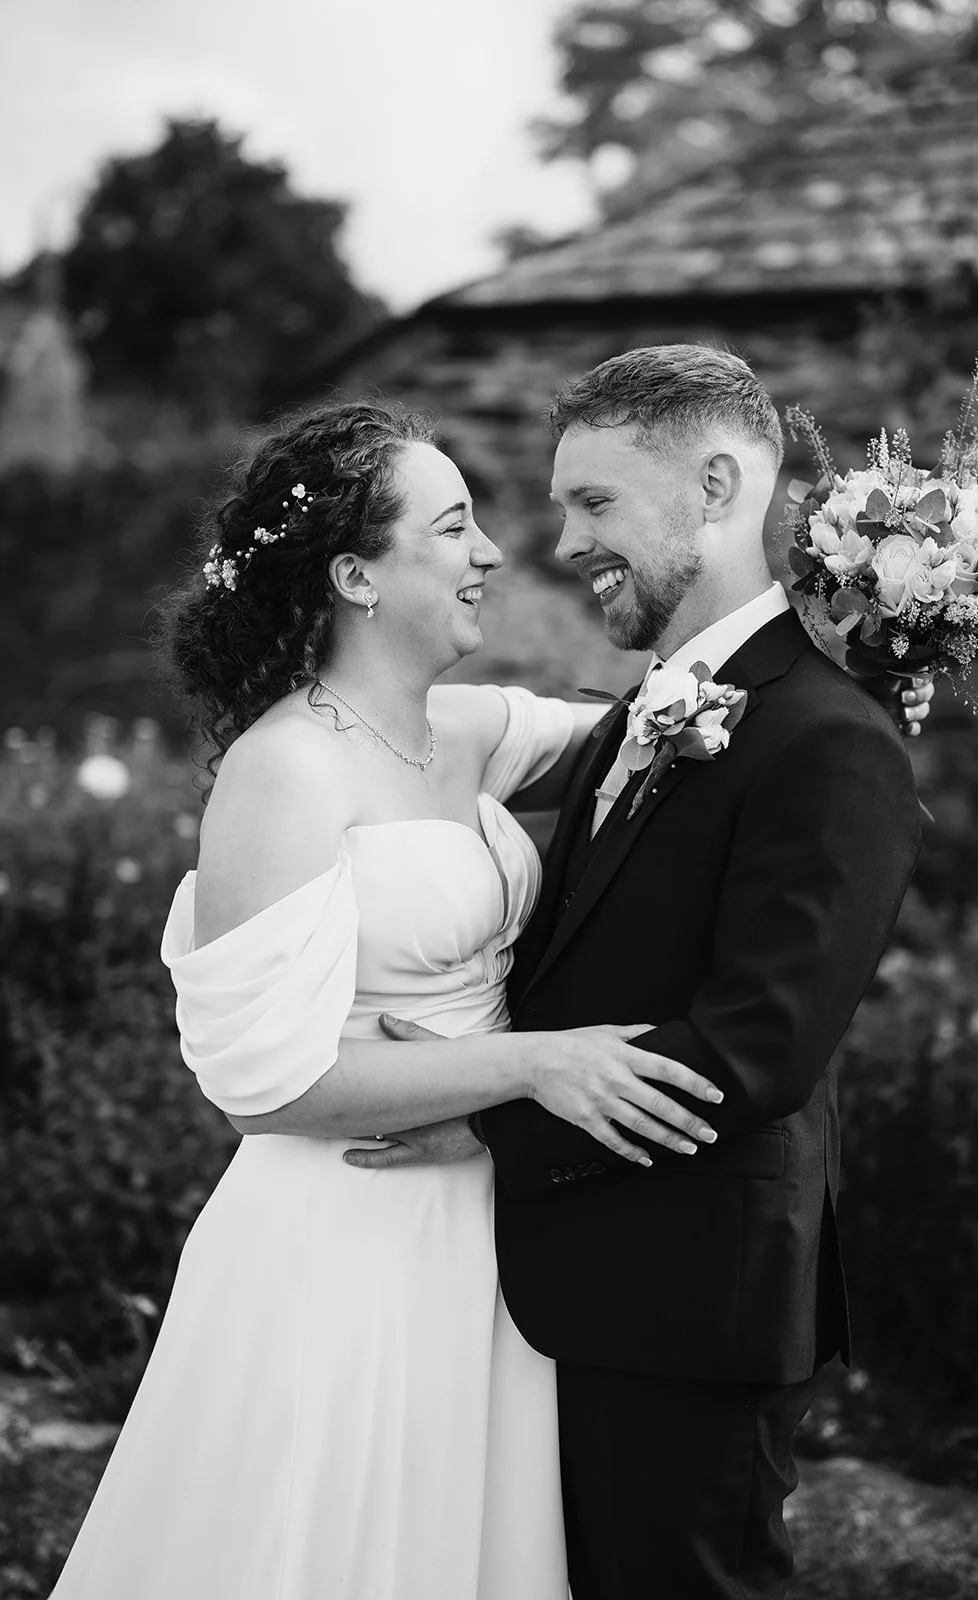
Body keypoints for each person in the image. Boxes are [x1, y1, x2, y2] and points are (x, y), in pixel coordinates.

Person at [49, 399, 735, 1600]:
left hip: (486, 1221)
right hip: (342, 1235)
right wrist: (531, 1063)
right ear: (356, 573)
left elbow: (694, 728)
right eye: (454, 527)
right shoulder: (283, 771)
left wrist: (862, 629)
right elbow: (267, 1088)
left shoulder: (464, 731)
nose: (489, 555)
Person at [344, 347, 926, 1600]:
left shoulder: (828, 742)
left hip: (687, 1304)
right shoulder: (650, 703)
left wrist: (476, 1115)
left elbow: (751, 1048)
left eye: (594, 502)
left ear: (714, 486)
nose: (561, 541)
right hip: (578, 1288)